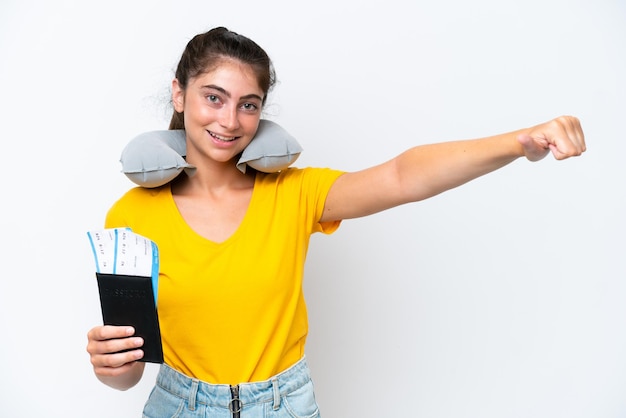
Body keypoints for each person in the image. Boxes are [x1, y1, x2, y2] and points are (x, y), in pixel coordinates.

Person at [86, 26, 586, 417]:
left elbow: (402, 176)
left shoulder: (294, 193)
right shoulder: (130, 216)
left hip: (283, 407)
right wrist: (112, 367)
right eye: (213, 97)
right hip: (178, 407)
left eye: (249, 105)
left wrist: (518, 143)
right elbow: (126, 372)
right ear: (179, 94)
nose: (229, 121)